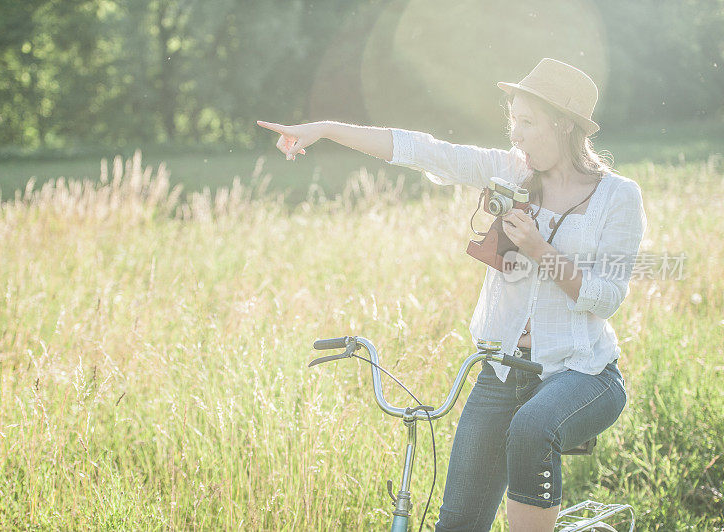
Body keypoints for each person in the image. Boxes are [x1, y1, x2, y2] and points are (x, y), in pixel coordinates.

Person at [258, 58, 647, 532]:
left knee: (531, 428)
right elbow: (424, 150)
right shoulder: (509, 171)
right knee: (458, 523)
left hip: (582, 372)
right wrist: (324, 128)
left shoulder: (618, 197)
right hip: (503, 370)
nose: (516, 135)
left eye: (527, 122)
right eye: (513, 121)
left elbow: (607, 297)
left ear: (564, 126)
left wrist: (539, 249)